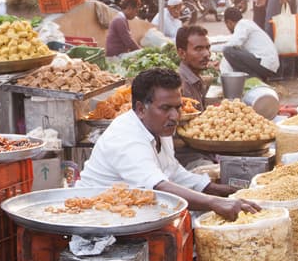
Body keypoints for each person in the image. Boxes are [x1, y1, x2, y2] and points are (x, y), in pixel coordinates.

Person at [78, 68, 257, 218]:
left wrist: (220, 190)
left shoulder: (159, 128)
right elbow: (159, 187)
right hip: (98, 215)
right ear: (141, 109)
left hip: (130, 211)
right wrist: (214, 202)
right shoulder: (126, 137)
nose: (175, 116)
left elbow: (173, 172)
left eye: (177, 107)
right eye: (165, 108)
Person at [218, 8, 279, 81]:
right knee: (231, 51)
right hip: (268, 65)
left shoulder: (242, 24)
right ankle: (256, 77)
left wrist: (212, 48)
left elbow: (232, 44)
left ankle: (253, 78)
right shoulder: (247, 24)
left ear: (229, 22)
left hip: (265, 63)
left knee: (228, 51)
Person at [175, 25, 212, 106]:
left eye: (208, 48)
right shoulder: (180, 87)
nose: (207, 54)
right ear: (182, 53)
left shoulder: (195, 79)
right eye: (198, 49)